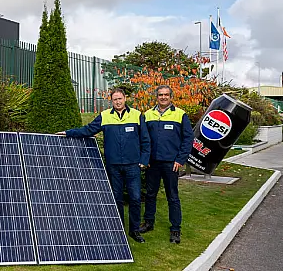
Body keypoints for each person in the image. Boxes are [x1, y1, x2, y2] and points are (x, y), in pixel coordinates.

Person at [56, 88, 150, 243]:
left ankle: (134, 231)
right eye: (115, 99)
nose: (118, 102)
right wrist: (68, 133)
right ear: (111, 101)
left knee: (135, 198)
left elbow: (145, 140)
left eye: (120, 99)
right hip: (113, 165)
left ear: (125, 98)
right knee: (116, 199)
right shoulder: (105, 116)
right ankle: (118, 230)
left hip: (133, 165)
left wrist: (144, 160)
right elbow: (88, 130)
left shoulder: (136, 115)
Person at [139, 85, 194, 244]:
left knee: (173, 196)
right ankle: (149, 223)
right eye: (160, 95)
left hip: (172, 164)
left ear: (171, 97)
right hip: (152, 163)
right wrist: (145, 158)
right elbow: (143, 139)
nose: (163, 97)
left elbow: (188, 139)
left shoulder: (180, 115)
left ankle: (175, 229)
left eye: (166, 95)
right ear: (156, 97)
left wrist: (180, 159)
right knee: (150, 194)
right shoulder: (148, 114)